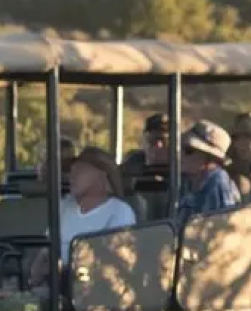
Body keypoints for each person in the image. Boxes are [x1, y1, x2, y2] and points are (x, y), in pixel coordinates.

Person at [28, 146, 137, 287]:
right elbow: (44, 252)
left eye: (80, 170)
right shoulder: (64, 206)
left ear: (102, 175)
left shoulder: (120, 211)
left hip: (92, 291)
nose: (71, 176)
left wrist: (66, 272)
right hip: (51, 287)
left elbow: (114, 267)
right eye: (71, 171)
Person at [176, 118, 238, 224]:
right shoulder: (186, 180)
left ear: (210, 158)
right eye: (180, 148)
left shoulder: (218, 183)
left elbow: (219, 228)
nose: (180, 155)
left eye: (188, 151)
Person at [121, 113, 170, 181]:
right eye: (151, 142)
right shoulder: (134, 161)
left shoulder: (178, 166)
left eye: (164, 141)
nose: (158, 146)